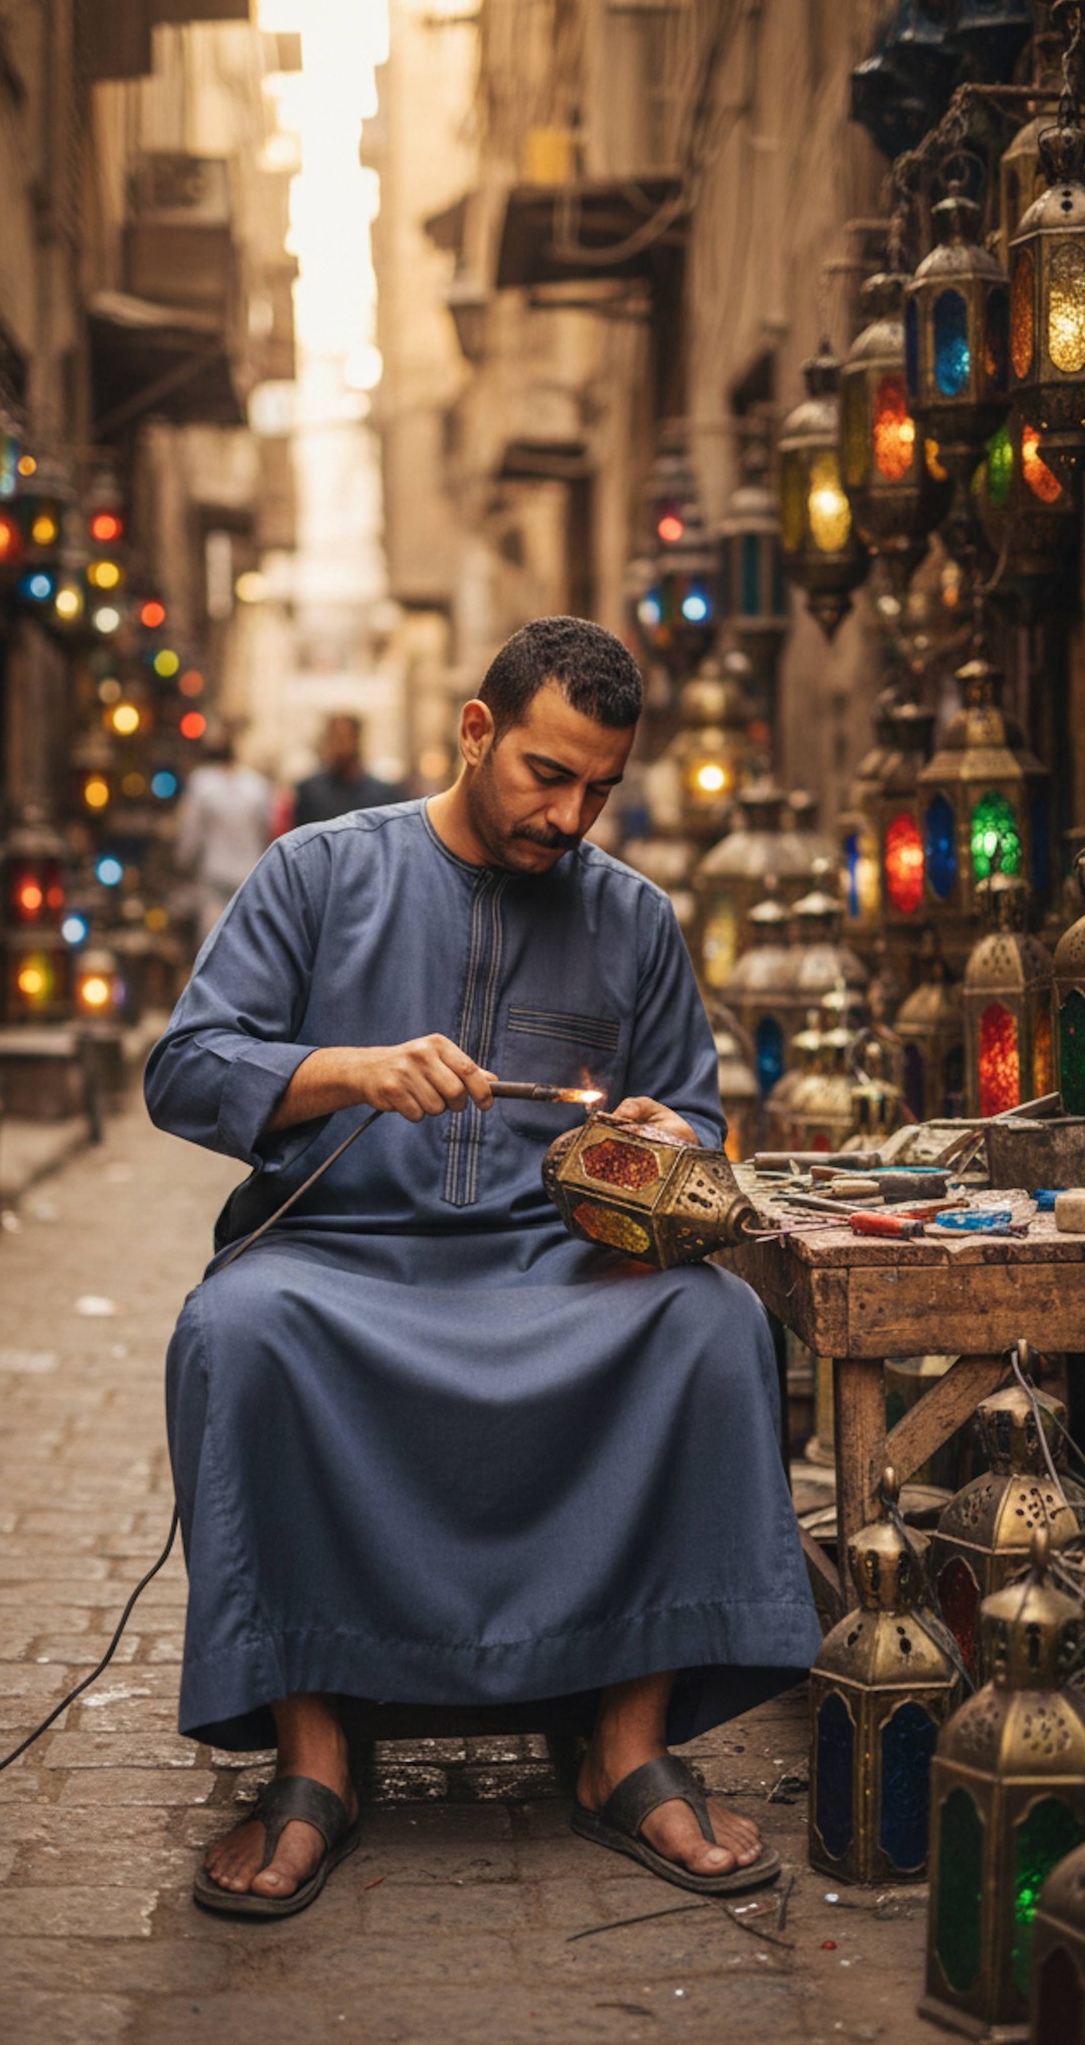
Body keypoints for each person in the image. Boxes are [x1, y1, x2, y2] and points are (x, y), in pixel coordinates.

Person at [145, 617, 819, 1920]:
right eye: (544, 775)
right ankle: (315, 1762)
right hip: (342, 1262)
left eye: (598, 789)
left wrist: (657, 1137)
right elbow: (181, 1069)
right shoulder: (312, 873)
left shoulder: (634, 919)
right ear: (474, 731)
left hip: (554, 1269)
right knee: (239, 1328)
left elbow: (691, 1117)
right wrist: (348, 1070)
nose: (569, 814)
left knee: (709, 1324)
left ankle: (623, 1751)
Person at [174, 725, 274, 945]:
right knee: (246, 943)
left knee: (212, 943)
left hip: (217, 875)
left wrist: (181, 862)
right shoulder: (257, 785)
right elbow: (266, 831)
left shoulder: (201, 784)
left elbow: (191, 832)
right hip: (247, 874)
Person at [291, 711, 398, 828]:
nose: (339, 747)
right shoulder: (309, 791)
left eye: (344, 738)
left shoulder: (383, 794)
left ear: (357, 740)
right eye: (334, 739)